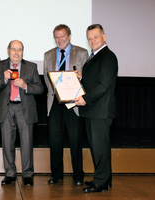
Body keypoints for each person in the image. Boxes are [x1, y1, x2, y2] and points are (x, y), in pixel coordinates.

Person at [0, 40, 44, 186]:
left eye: (19, 50)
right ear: (8, 50)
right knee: (7, 143)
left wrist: (26, 86)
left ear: (22, 51)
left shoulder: (31, 67)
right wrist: (4, 79)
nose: (16, 52)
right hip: (6, 109)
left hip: (24, 108)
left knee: (27, 143)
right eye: (13, 49)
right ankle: (10, 174)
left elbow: (40, 88)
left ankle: (27, 175)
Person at [74, 24, 118, 193]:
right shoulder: (95, 57)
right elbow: (96, 79)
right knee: (96, 148)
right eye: (89, 38)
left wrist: (85, 99)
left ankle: (102, 181)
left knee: (100, 148)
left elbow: (104, 85)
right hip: (93, 111)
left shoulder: (108, 56)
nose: (92, 40)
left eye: (95, 37)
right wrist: (82, 76)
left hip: (100, 111)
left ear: (104, 37)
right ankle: (101, 179)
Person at [43, 24, 88, 185]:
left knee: (75, 140)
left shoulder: (82, 53)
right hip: (54, 101)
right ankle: (56, 175)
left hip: (74, 102)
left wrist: (82, 77)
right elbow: (46, 80)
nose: (59, 39)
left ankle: (78, 176)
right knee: (54, 140)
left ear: (69, 36)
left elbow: (89, 78)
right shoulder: (48, 55)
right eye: (57, 37)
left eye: (62, 36)